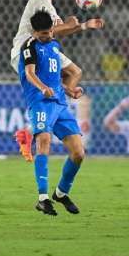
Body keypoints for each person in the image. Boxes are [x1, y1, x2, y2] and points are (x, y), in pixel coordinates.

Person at [12, 0, 104, 161]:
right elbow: (55, 31)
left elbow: (57, 30)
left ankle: (31, 129)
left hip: (45, 50)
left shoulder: (49, 5)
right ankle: (30, 131)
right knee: (63, 84)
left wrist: (85, 25)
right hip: (29, 51)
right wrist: (71, 24)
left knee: (74, 73)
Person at [19, 11, 85, 216]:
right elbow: (30, 74)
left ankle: (61, 193)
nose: (46, 36)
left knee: (78, 153)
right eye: (42, 34)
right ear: (34, 32)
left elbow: (55, 77)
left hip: (60, 104)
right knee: (44, 141)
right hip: (40, 102)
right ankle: (43, 198)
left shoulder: (55, 45)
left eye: (49, 33)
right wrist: (42, 88)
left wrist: (69, 89)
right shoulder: (29, 47)